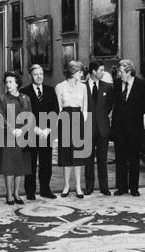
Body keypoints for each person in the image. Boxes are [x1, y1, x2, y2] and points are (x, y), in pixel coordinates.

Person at [21, 64, 59, 200]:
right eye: (36, 74)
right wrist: (35, 128)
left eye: (41, 74)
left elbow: (55, 110)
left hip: (46, 133)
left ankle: (45, 189)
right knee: (30, 163)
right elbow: (24, 114)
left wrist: (48, 129)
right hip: (31, 132)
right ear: (31, 76)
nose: (39, 76)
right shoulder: (24, 92)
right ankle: (30, 192)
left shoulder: (50, 90)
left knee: (46, 163)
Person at [112, 60, 145, 197]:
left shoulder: (142, 84)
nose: (119, 74)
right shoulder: (116, 84)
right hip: (119, 128)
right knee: (120, 158)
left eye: (121, 72)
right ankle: (121, 187)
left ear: (128, 72)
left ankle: (134, 188)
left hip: (135, 128)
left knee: (134, 158)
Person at [0, 71, 34, 205]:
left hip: (22, 135)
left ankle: (17, 193)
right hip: (8, 135)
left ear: (17, 83)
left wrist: (23, 130)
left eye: (10, 82)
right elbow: (1, 116)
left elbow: (30, 117)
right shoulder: (3, 98)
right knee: (9, 165)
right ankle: (8, 193)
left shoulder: (26, 98)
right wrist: (12, 130)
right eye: (6, 82)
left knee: (20, 164)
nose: (8, 84)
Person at [56, 60, 88, 199]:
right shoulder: (60, 87)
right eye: (80, 72)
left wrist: (83, 122)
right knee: (66, 154)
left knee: (78, 154)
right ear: (73, 72)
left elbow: (85, 107)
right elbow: (58, 108)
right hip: (65, 118)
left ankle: (79, 186)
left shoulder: (83, 87)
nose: (82, 74)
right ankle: (66, 185)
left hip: (78, 118)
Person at [84, 60, 114, 196]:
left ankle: (104, 187)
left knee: (102, 159)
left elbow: (109, 106)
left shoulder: (108, 87)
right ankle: (89, 187)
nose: (103, 72)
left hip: (103, 128)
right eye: (101, 70)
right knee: (88, 159)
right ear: (93, 72)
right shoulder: (82, 87)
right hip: (87, 127)